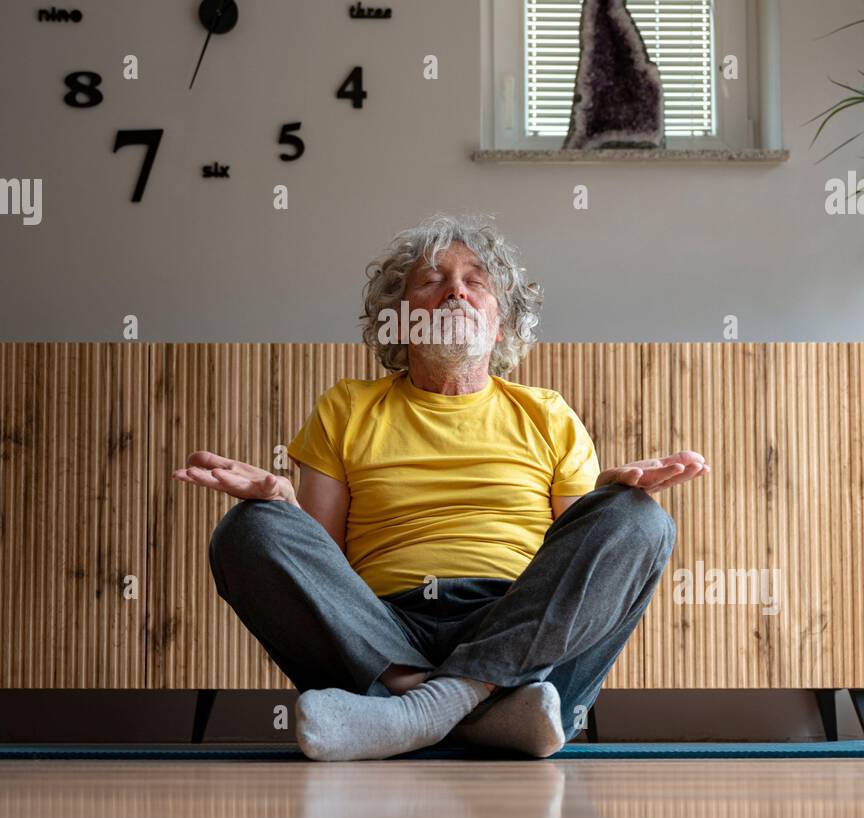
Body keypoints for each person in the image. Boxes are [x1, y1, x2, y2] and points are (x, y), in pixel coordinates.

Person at [174, 213, 708, 761]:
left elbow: (572, 578)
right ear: (400, 322)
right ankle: (471, 708)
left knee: (640, 518)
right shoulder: (347, 408)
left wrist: (607, 502)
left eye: (475, 281)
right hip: (381, 636)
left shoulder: (548, 414)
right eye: (431, 281)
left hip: (517, 629)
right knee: (248, 529)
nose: (455, 290)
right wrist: (283, 507)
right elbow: (324, 565)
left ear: (502, 324)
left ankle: (422, 710)